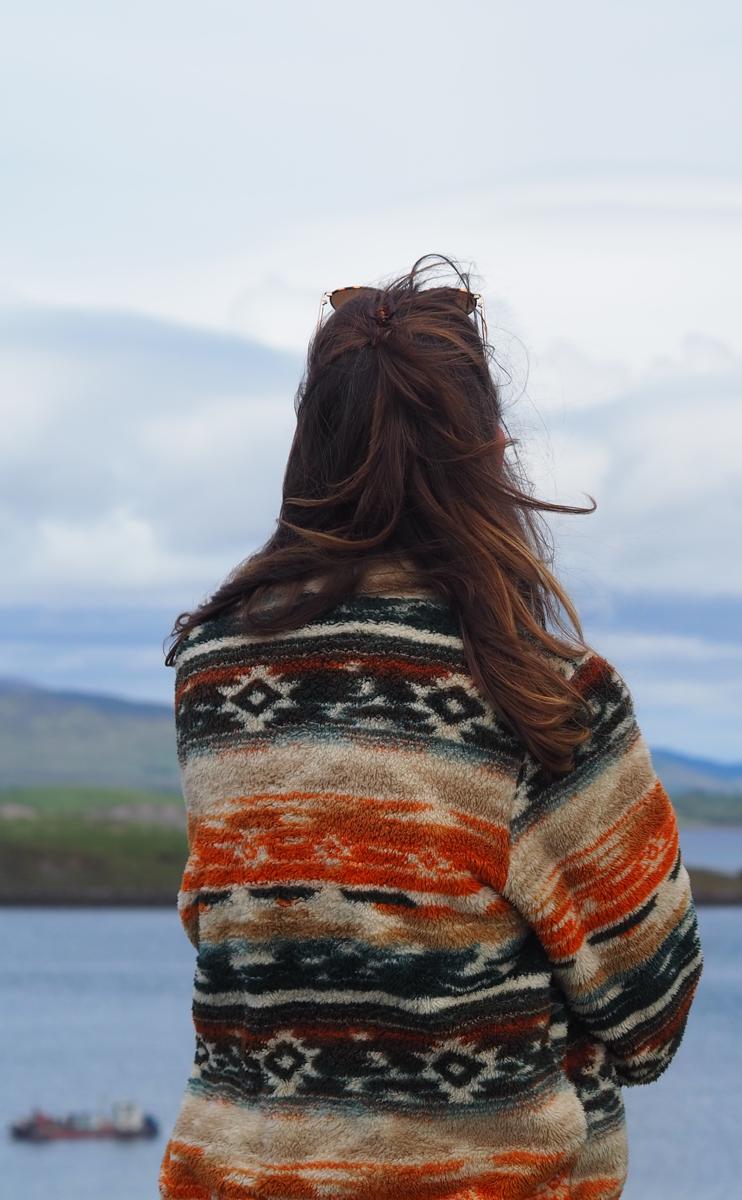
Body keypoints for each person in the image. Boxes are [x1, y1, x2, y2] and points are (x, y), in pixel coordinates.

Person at [155, 254, 702, 1200]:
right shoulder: (542, 698)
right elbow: (651, 1021)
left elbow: (239, 937)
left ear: (311, 446)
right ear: (491, 450)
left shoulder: (217, 674)